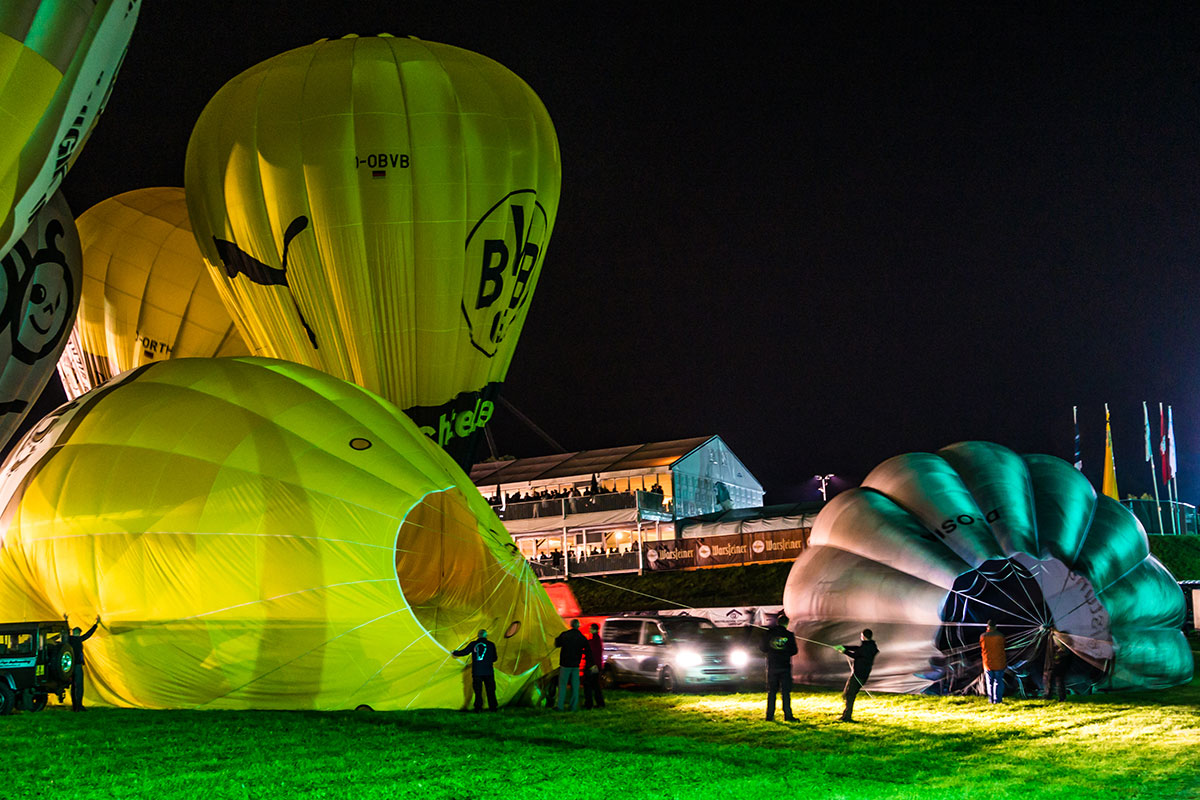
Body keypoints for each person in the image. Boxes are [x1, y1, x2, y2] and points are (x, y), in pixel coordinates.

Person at [760, 613, 798, 721]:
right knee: (786, 692)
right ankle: (788, 715)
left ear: (778, 622)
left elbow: (762, 648)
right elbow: (794, 651)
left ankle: (769, 715)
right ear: (787, 623)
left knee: (771, 692)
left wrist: (772, 651)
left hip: (772, 666)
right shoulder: (789, 635)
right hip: (785, 666)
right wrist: (784, 652)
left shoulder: (769, 634)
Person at [836, 629, 878, 722]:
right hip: (862, 674)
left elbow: (856, 655)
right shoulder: (871, 646)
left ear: (863, 636)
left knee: (850, 694)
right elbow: (857, 649)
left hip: (859, 674)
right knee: (849, 693)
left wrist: (843, 651)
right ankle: (846, 714)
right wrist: (844, 647)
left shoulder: (866, 648)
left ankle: (847, 716)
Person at [452, 629, 499, 711]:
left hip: (477, 671)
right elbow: (495, 658)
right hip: (488, 671)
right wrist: (487, 660)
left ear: (478, 635)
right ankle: (493, 707)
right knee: (491, 690)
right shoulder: (491, 645)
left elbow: (464, 652)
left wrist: (455, 652)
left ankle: (478, 707)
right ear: (486, 636)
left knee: (478, 690)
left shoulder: (473, 644)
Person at [66, 614, 100, 712]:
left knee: (73, 686)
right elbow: (89, 634)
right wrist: (96, 624)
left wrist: (66, 620)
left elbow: (66, 631)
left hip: (70, 666)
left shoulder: (69, 639)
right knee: (79, 686)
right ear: (79, 633)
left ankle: (75, 706)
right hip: (77, 666)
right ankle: (79, 705)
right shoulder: (78, 639)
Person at [554, 619, 589, 711]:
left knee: (562, 685)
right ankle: (573, 706)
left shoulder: (565, 635)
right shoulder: (581, 637)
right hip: (576, 665)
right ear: (578, 626)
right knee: (575, 686)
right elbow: (587, 648)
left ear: (571, 625)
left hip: (565, 664)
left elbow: (557, 644)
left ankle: (560, 706)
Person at [980, 620, 1007, 704]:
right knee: (998, 681)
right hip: (999, 663)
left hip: (987, 663)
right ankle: (998, 700)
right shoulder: (1000, 636)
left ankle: (990, 700)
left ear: (987, 627)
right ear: (995, 626)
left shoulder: (983, 636)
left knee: (989, 682)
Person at [582, 623, 606, 709]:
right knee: (596, 685)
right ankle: (600, 703)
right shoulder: (597, 639)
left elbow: (593, 653)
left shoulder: (594, 640)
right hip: (596, 665)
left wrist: (593, 665)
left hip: (592, 665)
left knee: (588, 684)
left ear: (594, 629)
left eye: (590, 628)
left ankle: (589, 704)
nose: (589, 630)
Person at [1043, 632, 1071, 701]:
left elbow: (1063, 648)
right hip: (1058, 662)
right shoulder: (1057, 638)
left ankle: (1058, 696)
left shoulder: (1062, 639)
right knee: (1053, 678)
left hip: (1060, 662)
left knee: (1058, 679)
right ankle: (1051, 695)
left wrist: (1054, 634)